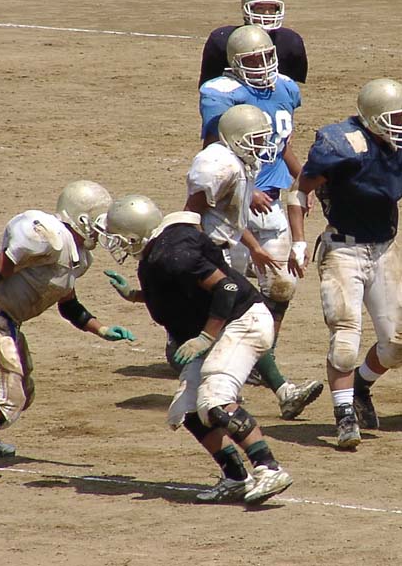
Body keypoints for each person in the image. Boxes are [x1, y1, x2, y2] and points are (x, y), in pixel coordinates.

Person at [286, 78, 402, 448]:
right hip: (343, 250)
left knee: (397, 346)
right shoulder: (342, 146)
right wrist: (298, 240)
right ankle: (344, 415)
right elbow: (300, 189)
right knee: (345, 339)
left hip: (384, 250)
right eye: (394, 117)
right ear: (372, 119)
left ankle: (360, 386)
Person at [109, 104, 323, 419]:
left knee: (240, 316)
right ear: (234, 138)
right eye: (255, 139)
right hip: (205, 251)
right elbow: (194, 213)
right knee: (241, 314)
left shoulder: (239, 163)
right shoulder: (219, 166)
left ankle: (271, 389)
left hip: (216, 248)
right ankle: (269, 390)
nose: (262, 146)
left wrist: (252, 246)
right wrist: (199, 257)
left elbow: (231, 220)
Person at [0, 181, 135, 485]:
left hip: (8, 323)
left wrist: (101, 329)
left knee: (24, 392)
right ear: (80, 218)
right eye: (98, 221)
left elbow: (69, 305)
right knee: (8, 400)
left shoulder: (79, 257)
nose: (103, 230)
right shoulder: (45, 239)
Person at [101, 195, 293, 504]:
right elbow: (183, 287)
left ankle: (269, 467)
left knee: (215, 401)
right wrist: (136, 295)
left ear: (134, 234)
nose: (117, 244)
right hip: (223, 327)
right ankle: (236, 477)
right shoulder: (159, 254)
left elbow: (226, 288)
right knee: (187, 411)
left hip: (242, 321)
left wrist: (205, 337)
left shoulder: (172, 253)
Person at [199, 24, 305, 409]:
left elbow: (282, 143)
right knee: (231, 291)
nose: (261, 66)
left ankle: (262, 355)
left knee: (282, 286)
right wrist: (249, 187)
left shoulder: (285, 88)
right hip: (236, 202)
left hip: (273, 203)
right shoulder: (221, 93)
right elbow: (215, 147)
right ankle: (225, 354)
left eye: (266, 57)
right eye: (252, 60)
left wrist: (304, 178)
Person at [198, 0, 307, 88]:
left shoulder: (291, 42)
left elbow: (293, 86)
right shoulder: (221, 40)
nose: (267, 14)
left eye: (271, 8)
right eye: (260, 8)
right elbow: (209, 85)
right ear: (247, 9)